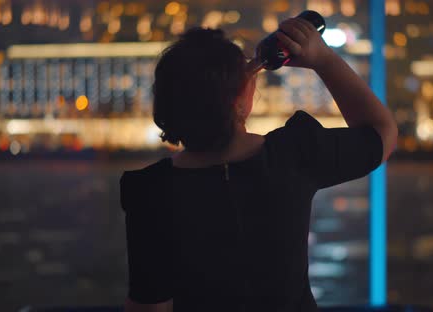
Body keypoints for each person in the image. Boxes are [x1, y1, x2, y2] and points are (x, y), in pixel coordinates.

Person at [120, 16, 397, 312]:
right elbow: (381, 133)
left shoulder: (150, 192)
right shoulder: (295, 155)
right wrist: (324, 60)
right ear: (239, 101)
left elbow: (149, 307)